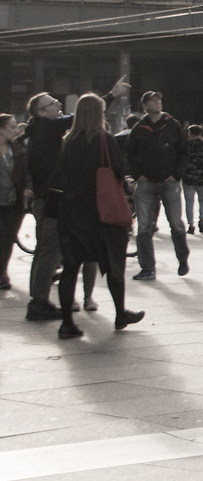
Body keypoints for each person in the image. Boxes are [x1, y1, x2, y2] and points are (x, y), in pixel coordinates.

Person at [23, 78, 128, 322]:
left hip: (46, 197)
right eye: (51, 103)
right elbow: (80, 118)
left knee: (45, 252)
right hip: (55, 198)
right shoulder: (48, 128)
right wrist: (110, 95)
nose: (57, 103)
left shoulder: (39, 131)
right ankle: (39, 302)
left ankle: (40, 300)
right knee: (53, 252)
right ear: (41, 112)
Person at [52, 93, 143, 338]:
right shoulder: (104, 138)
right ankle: (120, 313)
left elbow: (61, 173)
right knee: (113, 262)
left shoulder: (68, 140)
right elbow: (118, 170)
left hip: (72, 211)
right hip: (101, 212)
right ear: (98, 114)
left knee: (71, 267)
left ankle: (67, 323)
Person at [125, 90, 189, 281]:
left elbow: (184, 152)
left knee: (176, 224)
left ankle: (183, 258)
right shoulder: (140, 127)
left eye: (159, 100)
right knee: (144, 227)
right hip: (147, 183)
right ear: (145, 106)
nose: (157, 103)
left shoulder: (173, 125)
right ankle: (147, 268)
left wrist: (177, 175)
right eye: (153, 101)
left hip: (169, 182)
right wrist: (138, 175)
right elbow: (129, 153)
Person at [0, 114, 32, 291]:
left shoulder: (18, 150)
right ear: (1, 129)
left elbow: (26, 172)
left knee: (7, 238)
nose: (16, 130)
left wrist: (28, 187)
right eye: (12, 127)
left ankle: (2, 272)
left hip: (14, 201)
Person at [182, 125, 203, 234]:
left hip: (188, 177)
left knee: (189, 202)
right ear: (200, 133)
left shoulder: (185, 146)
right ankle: (201, 218)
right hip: (202, 177)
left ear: (189, 133)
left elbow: (179, 159)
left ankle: (190, 224)